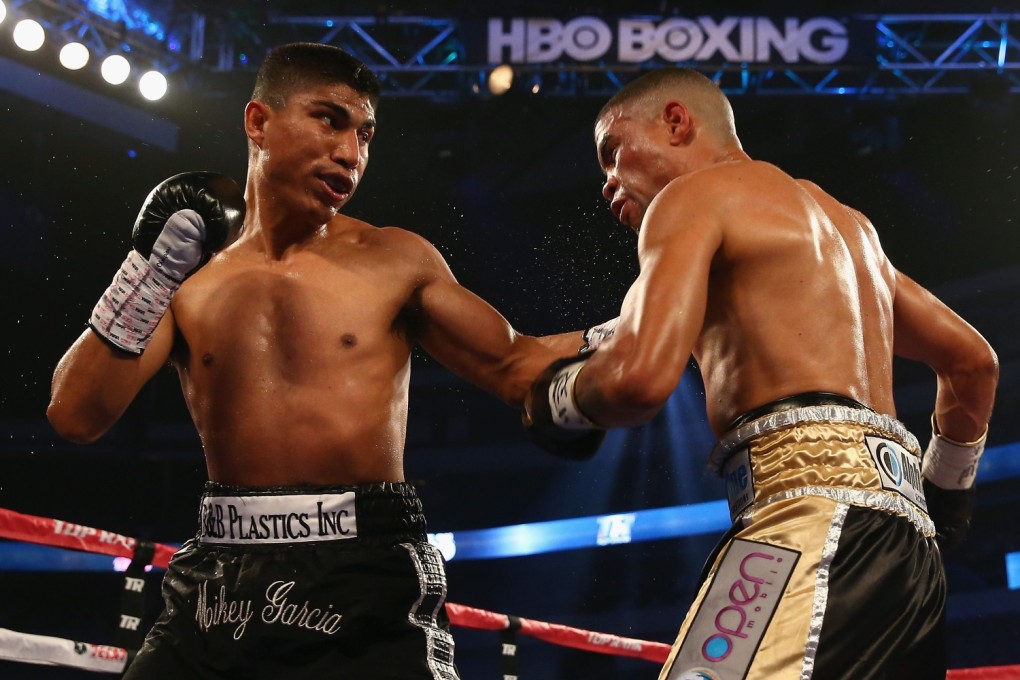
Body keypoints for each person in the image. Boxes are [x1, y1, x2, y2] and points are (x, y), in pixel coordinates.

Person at [46, 42, 586, 679]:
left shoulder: (395, 259)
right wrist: (147, 271)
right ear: (258, 123)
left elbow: (516, 366)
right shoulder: (187, 275)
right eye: (329, 119)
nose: (351, 153)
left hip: (365, 567)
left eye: (365, 134)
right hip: (220, 576)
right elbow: (76, 414)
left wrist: (640, 333)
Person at [523, 67, 998, 679]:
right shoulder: (851, 232)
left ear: (676, 121)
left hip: (804, 521)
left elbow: (639, 377)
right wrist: (947, 501)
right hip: (909, 554)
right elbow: (972, 363)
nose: (609, 181)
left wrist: (558, 400)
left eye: (613, 152)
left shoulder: (691, 198)